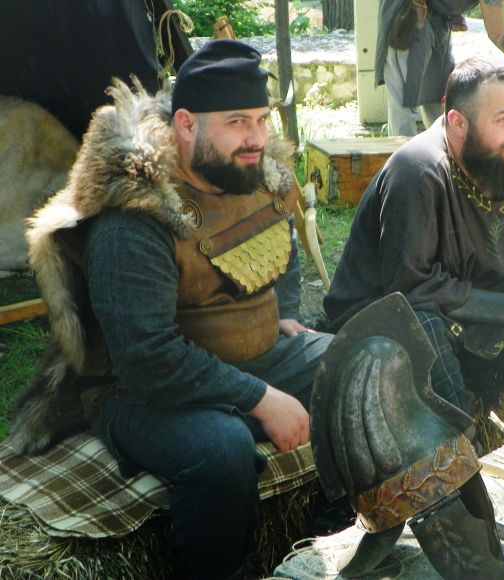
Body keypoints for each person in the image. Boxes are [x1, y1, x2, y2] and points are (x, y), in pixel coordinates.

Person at [12, 40, 332, 579]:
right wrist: (261, 398)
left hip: (255, 357)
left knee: (359, 364)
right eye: (236, 122)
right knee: (221, 450)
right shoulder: (133, 216)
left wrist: (283, 309)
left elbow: (283, 239)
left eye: (261, 119)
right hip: (141, 391)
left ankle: (334, 533)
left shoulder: (249, 170)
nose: (256, 137)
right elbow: (146, 357)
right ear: (185, 125)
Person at [324, 56, 504, 417]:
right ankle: (463, 445)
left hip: (478, 299)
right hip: (398, 313)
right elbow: (410, 288)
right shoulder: (416, 171)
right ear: (458, 122)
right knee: (421, 327)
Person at [376, 0, 504, 136]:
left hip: (437, 19)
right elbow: (498, 33)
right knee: (404, 99)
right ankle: (401, 166)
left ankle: (442, 160)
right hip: (407, 14)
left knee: (439, 97)